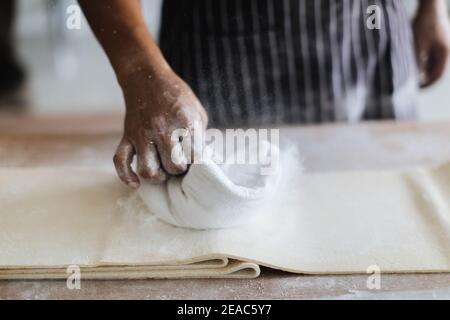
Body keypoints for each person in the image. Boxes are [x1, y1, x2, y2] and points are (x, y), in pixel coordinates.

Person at [1, 1, 449, 188]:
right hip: (224, 39)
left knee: (381, 202)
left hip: (368, 36)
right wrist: (140, 70)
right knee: (223, 235)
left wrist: (434, 6)